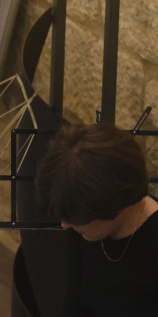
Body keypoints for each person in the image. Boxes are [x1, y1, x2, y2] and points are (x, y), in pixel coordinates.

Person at [34, 122, 158, 316]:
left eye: (75, 218)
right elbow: (73, 306)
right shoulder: (85, 228)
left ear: (114, 204)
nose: (65, 225)